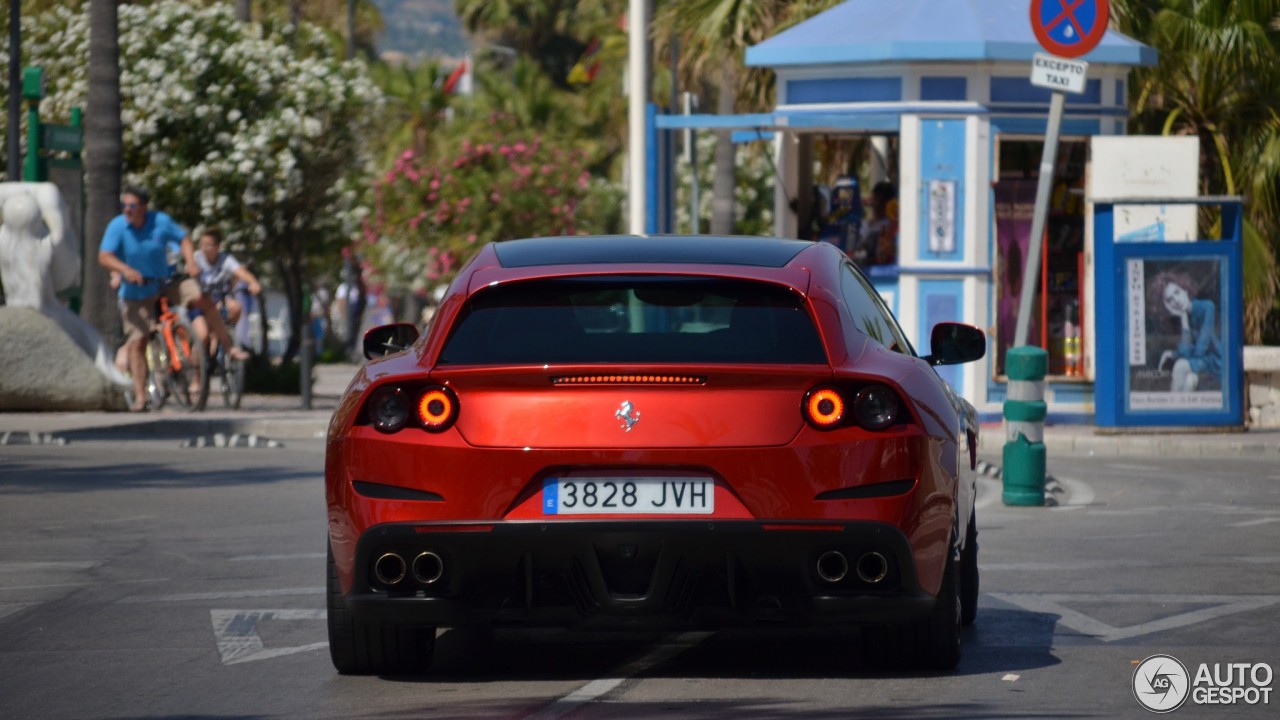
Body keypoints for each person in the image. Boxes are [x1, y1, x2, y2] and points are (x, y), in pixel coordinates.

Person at [97, 187, 246, 412]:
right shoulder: (118, 226)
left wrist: (191, 261)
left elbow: (183, 239)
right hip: (136, 290)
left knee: (201, 298)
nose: (127, 210)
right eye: (124, 205)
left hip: (166, 280)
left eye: (132, 206)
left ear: (144, 207)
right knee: (138, 342)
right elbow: (105, 256)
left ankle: (229, 347)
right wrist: (124, 270)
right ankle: (140, 397)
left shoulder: (160, 221)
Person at [1147, 269, 1221, 392]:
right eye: (1169, 300)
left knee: (1180, 366)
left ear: (1185, 290)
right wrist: (1183, 319)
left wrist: (1176, 355)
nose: (1176, 301)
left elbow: (1199, 351)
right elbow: (1187, 352)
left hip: (1217, 363)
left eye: (1177, 292)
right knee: (1189, 381)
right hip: (1201, 366)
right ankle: (1175, 410)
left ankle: (1169, 409)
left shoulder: (1207, 307)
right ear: (1166, 305)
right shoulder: (1182, 318)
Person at [192, 226, 261, 354]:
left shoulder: (225, 259)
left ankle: (221, 336)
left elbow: (241, 272)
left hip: (218, 302)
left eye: (208, 245)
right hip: (200, 304)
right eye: (202, 245)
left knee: (235, 307)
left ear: (218, 246)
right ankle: (199, 367)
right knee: (203, 335)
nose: (204, 249)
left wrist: (253, 282)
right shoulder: (196, 258)